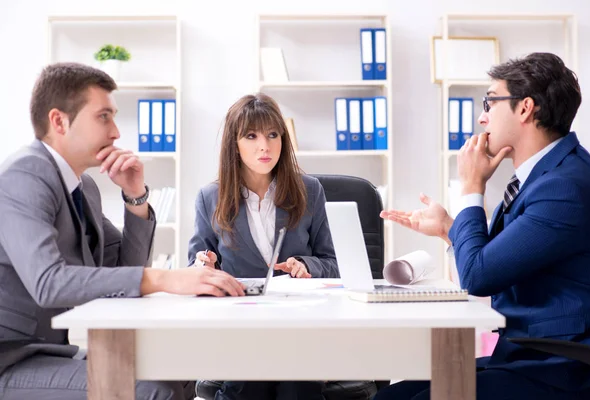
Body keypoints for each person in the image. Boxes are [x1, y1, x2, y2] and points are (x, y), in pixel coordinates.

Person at [0, 62, 246, 400]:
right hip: (10, 362)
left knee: (181, 377)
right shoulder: (25, 175)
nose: (116, 131)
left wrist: (136, 198)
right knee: (157, 392)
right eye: (103, 116)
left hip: (47, 353)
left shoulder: (82, 186)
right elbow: (49, 283)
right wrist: (164, 278)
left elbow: (121, 269)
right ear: (59, 121)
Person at [375, 52, 590, 400]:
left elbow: (478, 277)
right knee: (392, 396)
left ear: (525, 108)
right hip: (529, 355)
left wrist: (471, 186)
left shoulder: (563, 187)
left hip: (561, 367)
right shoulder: (546, 176)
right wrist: (449, 227)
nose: (482, 118)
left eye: (490, 102)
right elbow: (494, 259)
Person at [188, 93, 339, 399]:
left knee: (298, 387)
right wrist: (203, 267)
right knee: (248, 384)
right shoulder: (210, 198)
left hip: (300, 326)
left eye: (273, 135)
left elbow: (334, 263)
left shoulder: (310, 191)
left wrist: (307, 266)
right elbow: (196, 267)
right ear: (235, 143)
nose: (265, 146)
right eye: (251, 136)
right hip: (242, 328)